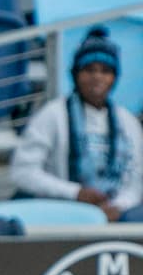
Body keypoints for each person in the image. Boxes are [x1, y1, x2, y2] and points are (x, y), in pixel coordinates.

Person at [10, 26, 143, 222]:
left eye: (105, 71)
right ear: (76, 74)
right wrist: (75, 193)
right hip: (61, 208)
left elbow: (135, 180)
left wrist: (117, 206)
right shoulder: (52, 114)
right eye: (89, 70)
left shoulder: (127, 121)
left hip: (118, 212)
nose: (97, 77)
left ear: (114, 78)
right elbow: (22, 172)